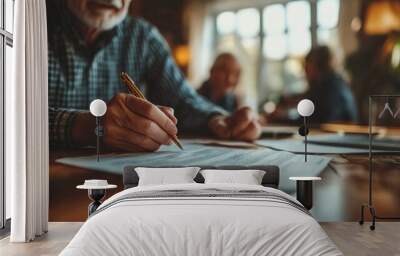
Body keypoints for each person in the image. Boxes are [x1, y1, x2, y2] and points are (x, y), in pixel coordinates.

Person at [47, 0, 261, 152]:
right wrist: (84, 125)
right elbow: (13, 117)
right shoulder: (27, 23)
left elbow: (182, 99)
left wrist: (216, 119)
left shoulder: (143, 37)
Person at [270, 46, 358, 124]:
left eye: (307, 67)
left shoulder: (327, 88)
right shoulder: (335, 82)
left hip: (334, 138)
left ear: (316, 66)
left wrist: (275, 120)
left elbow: (310, 122)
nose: (304, 72)